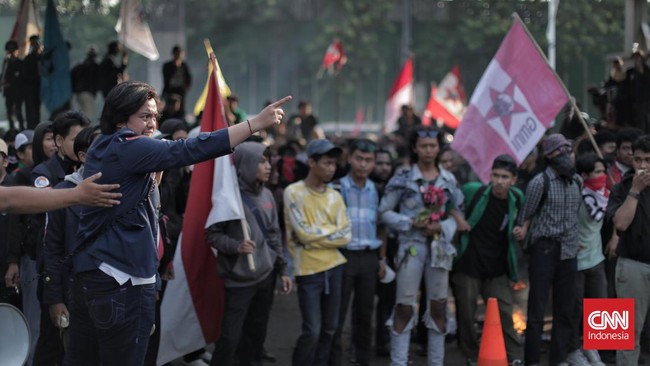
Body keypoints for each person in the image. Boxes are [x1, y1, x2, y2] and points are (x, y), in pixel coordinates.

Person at [63, 81, 290, 365]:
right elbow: (188, 149)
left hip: (104, 274)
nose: (152, 123)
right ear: (120, 118)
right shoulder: (127, 146)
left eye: (154, 116)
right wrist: (254, 124)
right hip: (120, 279)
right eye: (144, 116)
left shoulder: (105, 145)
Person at [378, 127, 464, 366]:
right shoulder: (403, 178)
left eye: (433, 146)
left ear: (438, 148)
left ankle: (436, 362)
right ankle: (399, 361)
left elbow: (458, 213)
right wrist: (410, 222)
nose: (428, 150)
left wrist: (443, 227)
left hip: (440, 250)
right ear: (415, 148)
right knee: (404, 306)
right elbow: (384, 212)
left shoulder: (448, 180)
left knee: (438, 306)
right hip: (410, 248)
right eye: (423, 146)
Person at [207, 141, 291, 366]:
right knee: (230, 337)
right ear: (246, 164)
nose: (269, 167)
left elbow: (274, 236)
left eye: (268, 161)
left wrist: (282, 269)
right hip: (239, 281)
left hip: (265, 276)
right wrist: (236, 246)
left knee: (257, 334)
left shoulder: (268, 196)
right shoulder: (228, 199)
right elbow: (212, 235)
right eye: (262, 161)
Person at [513, 133, 582, 366]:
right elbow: (525, 214)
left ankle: (560, 359)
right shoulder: (539, 182)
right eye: (561, 151)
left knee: (565, 311)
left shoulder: (578, 181)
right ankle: (532, 360)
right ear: (550, 156)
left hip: (570, 251)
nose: (567, 155)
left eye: (569, 150)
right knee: (536, 312)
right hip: (544, 250)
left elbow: (576, 216)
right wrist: (522, 230)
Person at [284, 139, 351, 366]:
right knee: (312, 330)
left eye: (334, 163)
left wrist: (314, 238)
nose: (332, 168)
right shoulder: (293, 192)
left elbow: (346, 235)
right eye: (327, 163)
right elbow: (302, 234)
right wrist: (329, 233)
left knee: (330, 330)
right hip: (308, 270)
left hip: (335, 267)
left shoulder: (335, 196)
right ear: (312, 162)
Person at [452, 154, 524, 365]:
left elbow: (529, 216)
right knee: (466, 316)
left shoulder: (517, 198)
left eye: (505, 177)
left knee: (504, 314)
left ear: (513, 179)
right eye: (496, 175)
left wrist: (523, 228)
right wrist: (459, 219)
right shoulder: (474, 191)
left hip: (497, 268)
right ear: (490, 175)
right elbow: (448, 201)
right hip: (468, 265)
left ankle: (514, 358)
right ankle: (472, 356)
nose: (499, 181)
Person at [31, 111, 89, 366]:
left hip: (81, 279)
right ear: (58, 141)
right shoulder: (45, 174)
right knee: (51, 345)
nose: (80, 146)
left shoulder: (87, 174)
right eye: (75, 139)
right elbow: (49, 240)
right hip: (54, 273)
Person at [42, 126, 101, 353]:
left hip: (117, 297)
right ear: (83, 156)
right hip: (75, 294)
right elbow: (53, 250)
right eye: (100, 149)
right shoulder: (62, 192)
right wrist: (55, 299)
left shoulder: (123, 188)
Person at [330, 139, 384, 366]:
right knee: (337, 313)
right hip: (343, 256)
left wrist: (381, 259)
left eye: (368, 160)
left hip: (369, 258)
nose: (363, 165)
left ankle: (362, 359)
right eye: (359, 159)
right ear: (349, 158)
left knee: (364, 313)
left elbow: (382, 227)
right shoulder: (335, 188)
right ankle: (334, 360)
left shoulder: (377, 190)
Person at [608, 135, 650, 365]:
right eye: (638, 160)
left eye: (648, 160)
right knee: (626, 335)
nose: (642, 166)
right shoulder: (622, 187)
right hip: (631, 265)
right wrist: (635, 190)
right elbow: (621, 224)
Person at [564, 153, 608, 366]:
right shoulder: (574, 196)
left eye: (603, 171)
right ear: (584, 175)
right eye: (597, 172)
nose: (602, 176)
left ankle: (595, 350)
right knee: (575, 311)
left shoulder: (604, 195)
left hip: (596, 259)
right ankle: (572, 352)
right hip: (575, 262)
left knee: (602, 307)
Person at [71, 45, 100, 119]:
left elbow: (72, 76)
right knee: (88, 115)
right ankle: (84, 130)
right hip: (88, 93)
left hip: (79, 92)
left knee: (82, 113)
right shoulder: (96, 67)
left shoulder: (79, 66)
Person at [2, 40, 25, 131]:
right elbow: (3, 75)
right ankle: (12, 129)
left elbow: (20, 78)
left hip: (17, 92)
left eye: (12, 50)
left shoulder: (20, 63)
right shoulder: (6, 63)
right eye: (9, 50)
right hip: (8, 92)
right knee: (9, 112)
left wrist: (10, 82)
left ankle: (21, 127)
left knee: (18, 111)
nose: (10, 52)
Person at [162, 45, 192, 113]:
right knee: (169, 109)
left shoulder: (184, 66)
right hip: (170, 91)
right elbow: (166, 79)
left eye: (179, 54)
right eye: (176, 53)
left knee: (180, 109)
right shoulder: (167, 66)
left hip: (180, 91)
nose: (178, 55)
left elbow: (188, 78)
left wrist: (186, 88)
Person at [23, 35, 42, 128]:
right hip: (31, 89)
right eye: (33, 43)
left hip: (42, 89)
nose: (35, 45)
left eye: (36, 43)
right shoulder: (28, 59)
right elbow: (24, 75)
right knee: (31, 112)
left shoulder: (43, 57)